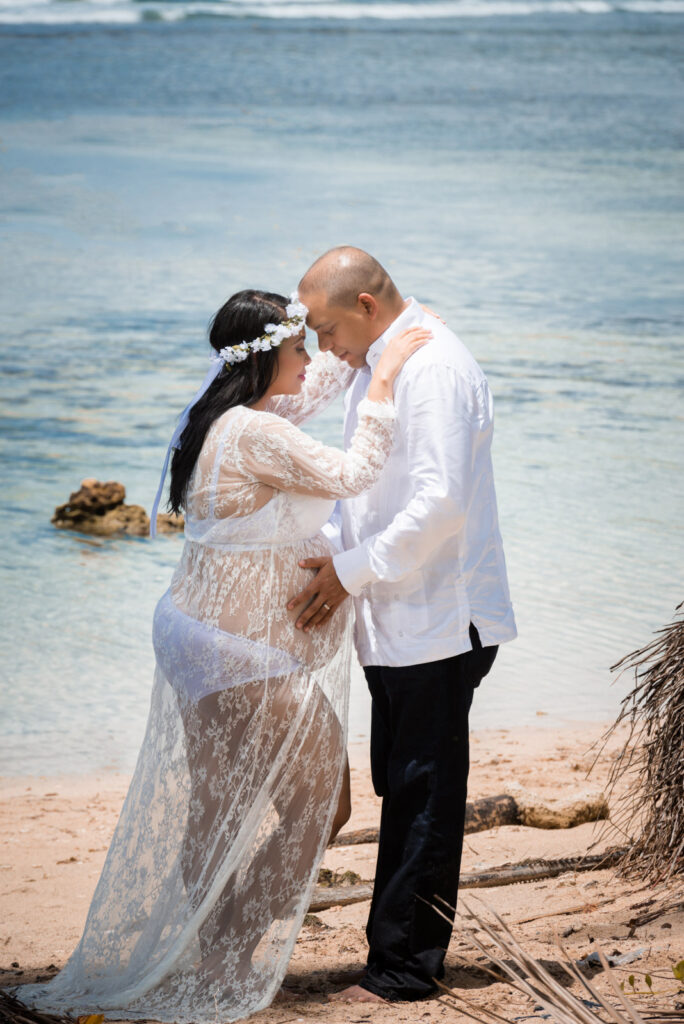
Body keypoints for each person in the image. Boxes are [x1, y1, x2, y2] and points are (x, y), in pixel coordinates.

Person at [10, 289, 430, 1023]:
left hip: (193, 636)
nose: (312, 362)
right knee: (321, 805)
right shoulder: (260, 435)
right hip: (237, 653)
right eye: (302, 348)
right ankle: (227, 941)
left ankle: (206, 939)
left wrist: (344, 340)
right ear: (268, 357)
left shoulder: (225, 419)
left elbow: (303, 388)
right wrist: (387, 378)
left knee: (215, 805)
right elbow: (356, 471)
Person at [289, 247, 518, 1003]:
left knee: (424, 795)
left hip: (438, 619)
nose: (326, 350)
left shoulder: (434, 369)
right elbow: (369, 487)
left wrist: (348, 572)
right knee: (404, 784)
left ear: (364, 307)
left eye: (326, 331)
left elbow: (440, 506)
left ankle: (403, 971)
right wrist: (327, 550)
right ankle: (397, 957)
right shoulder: (378, 361)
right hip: (396, 616)